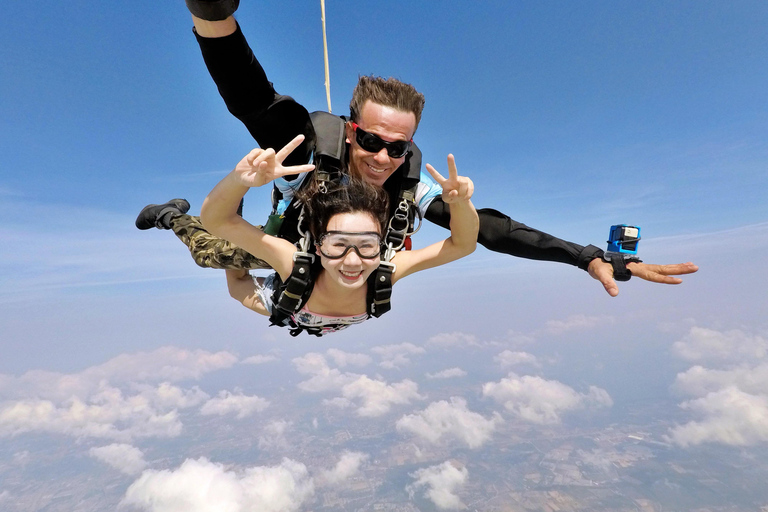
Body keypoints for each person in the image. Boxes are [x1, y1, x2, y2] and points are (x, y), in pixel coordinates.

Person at [177, 1, 697, 296]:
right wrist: (212, 15)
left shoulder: (408, 181)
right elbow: (250, 96)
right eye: (373, 141)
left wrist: (584, 258)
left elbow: (492, 230)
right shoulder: (309, 148)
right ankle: (169, 216)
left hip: (341, 260)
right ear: (352, 130)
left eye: (397, 148)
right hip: (283, 244)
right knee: (210, 252)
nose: (383, 158)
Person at [139, 135, 478, 336]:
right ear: (318, 245)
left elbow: (463, 244)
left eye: (367, 246)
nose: (352, 261)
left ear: (382, 246)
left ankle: (219, 224)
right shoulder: (294, 260)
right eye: (338, 245)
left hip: (287, 306)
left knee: (229, 255)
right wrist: (239, 181)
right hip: (292, 288)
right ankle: (171, 216)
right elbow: (216, 220)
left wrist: (460, 204)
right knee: (208, 253)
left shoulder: (385, 266)